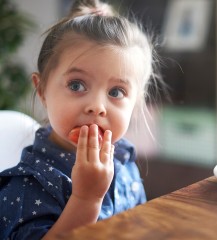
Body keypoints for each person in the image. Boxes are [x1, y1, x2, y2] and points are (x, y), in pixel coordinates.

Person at [0, 0, 164, 239]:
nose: (97, 107)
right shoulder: (28, 185)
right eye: (76, 85)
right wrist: (86, 199)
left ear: (136, 103)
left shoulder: (124, 159)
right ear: (43, 90)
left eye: (116, 92)